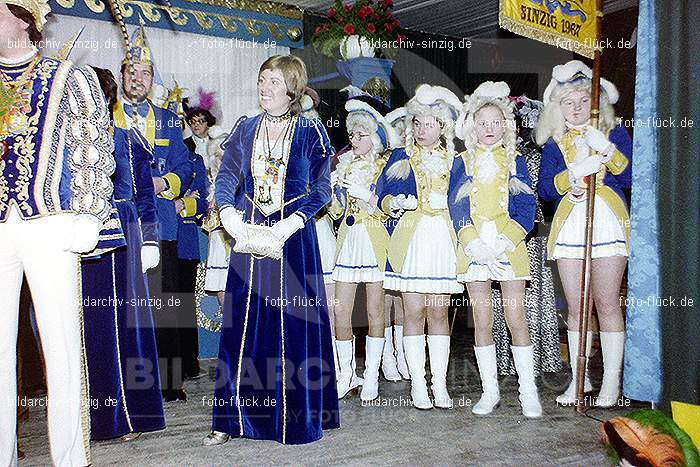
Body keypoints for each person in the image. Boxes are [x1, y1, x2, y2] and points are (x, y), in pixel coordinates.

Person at [204, 54, 339, 446]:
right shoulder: (245, 129)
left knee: (292, 329)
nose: (266, 87)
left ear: (292, 89)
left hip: (293, 239)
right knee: (240, 329)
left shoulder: (311, 131)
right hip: (247, 234)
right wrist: (228, 212)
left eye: (275, 81)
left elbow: (322, 190)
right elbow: (227, 174)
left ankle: (294, 419)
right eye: (263, 79)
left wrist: (293, 222)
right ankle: (229, 420)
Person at [0, 1, 115, 464]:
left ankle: (71, 459)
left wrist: (87, 217)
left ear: (21, 15)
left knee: (63, 354)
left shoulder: (69, 75)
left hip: (51, 226)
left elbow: (93, 147)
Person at [536, 60, 632, 408]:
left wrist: (607, 151)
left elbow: (633, 176)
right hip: (570, 224)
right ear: (557, 107)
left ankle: (611, 383)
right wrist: (571, 179)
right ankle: (580, 379)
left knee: (606, 302)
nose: (575, 108)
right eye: (567, 102)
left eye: (581, 100)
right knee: (576, 308)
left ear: (596, 102)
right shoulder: (554, 143)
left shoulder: (614, 133)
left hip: (607, 220)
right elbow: (546, 189)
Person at [81, 67, 165, 441]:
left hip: (124, 239)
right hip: (78, 240)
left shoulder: (127, 140)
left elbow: (146, 197)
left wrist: (149, 240)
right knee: (88, 329)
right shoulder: (67, 143)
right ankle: (87, 415)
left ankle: (130, 416)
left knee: (124, 327)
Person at [448, 81, 541, 418]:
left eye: (495, 122)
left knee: (516, 318)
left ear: (506, 125)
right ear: (473, 126)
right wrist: (472, 241)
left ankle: (528, 391)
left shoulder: (515, 160)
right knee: (482, 321)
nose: (488, 129)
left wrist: (505, 240)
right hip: (473, 249)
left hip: (508, 246)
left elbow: (526, 206)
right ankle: (491, 392)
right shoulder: (462, 161)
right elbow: (455, 205)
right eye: (482, 122)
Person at [114, 23, 194, 402]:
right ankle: (126, 382)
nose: (139, 79)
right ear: (122, 76)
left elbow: (186, 167)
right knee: (126, 304)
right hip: (120, 224)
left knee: (167, 306)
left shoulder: (166, 119)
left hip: (162, 223)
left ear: (151, 79)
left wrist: (165, 184)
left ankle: (170, 379)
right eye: (133, 72)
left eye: (145, 73)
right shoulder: (107, 116)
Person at [376, 85, 463, 410]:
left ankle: (439, 386)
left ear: (443, 126)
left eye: (430, 123)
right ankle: (418, 386)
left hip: (443, 241)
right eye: (418, 123)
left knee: (438, 312)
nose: (422, 129)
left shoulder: (456, 160)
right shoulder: (400, 157)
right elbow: (381, 196)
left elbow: (466, 202)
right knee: (413, 312)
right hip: (410, 241)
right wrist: (393, 202)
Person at [328, 99, 396, 400]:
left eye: (360, 134)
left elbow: (390, 210)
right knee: (339, 311)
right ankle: (346, 375)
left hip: (376, 240)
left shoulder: (387, 166)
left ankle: (371, 376)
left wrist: (365, 194)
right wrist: (332, 194)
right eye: (351, 134)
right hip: (348, 240)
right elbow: (335, 213)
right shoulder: (343, 164)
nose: (354, 140)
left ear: (374, 136)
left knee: (375, 311)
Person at [491, 95, 562, 377]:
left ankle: (532, 362)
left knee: (529, 301)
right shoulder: (497, 154)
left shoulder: (532, 157)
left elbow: (537, 198)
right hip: (500, 234)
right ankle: (505, 360)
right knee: (504, 301)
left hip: (529, 234)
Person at [381, 107, 410, 382]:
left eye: (407, 128)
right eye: (398, 129)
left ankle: (404, 354)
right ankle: (387, 355)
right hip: (386, 230)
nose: (403, 133)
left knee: (405, 298)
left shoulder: (420, 158)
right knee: (385, 298)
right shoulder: (386, 160)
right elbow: (380, 195)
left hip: (411, 234)